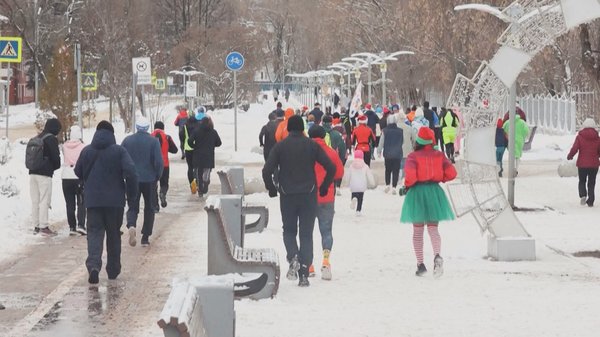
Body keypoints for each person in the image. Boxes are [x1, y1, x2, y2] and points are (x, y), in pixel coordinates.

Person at [262, 115, 336, 287]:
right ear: (303, 129)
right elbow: (330, 167)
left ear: (288, 129)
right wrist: (324, 186)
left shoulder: (280, 147)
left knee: (288, 231)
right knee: (306, 234)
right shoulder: (311, 146)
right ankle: (304, 273)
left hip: (287, 195)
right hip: (308, 195)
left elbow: (267, 170)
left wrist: (272, 188)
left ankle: (293, 256)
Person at [74, 120, 138, 284]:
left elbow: (78, 171)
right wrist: (130, 191)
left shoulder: (87, 151)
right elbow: (130, 171)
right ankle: (113, 269)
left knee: (94, 233)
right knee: (113, 235)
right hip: (115, 202)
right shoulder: (119, 151)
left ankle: (94, 266)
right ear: (112, 134)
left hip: (93, 202)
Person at [399, 127, 457, 278]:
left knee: (418, 231)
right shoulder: (439, 155)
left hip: (417, 193)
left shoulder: (413, 157)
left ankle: (421, 265)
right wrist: (440, 177)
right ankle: (437, 255)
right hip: (434, 193)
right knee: (433, 229)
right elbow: (452, 173)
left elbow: (410, 176)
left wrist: (406, 186)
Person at [307, 125, 344, 280]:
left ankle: (309, 265)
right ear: (324, 137)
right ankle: (326, 261)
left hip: (307, 197)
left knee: (306, 232)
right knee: (326, 231)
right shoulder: (331, 153)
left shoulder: (305, 152)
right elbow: (339, 173)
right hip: (327, 197)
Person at [122, 117, 164, 247]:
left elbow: (121, 158)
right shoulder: (154, 142)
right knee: (149, 207)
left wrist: (124, 175)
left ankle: (131, 224)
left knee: (133, 205)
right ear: (147, 128)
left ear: (136, 127)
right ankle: (145, 236)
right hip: (149, 179)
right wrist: (158, 176)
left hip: (132, 179)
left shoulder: (127, 141)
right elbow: (158, 161)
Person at [29, 118, 62, 236]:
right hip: (44, 174)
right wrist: (54, 167)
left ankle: (36, 225)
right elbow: (56, 159)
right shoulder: (51, 139)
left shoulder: (37, 137)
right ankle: (44, 226)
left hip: (32, 172)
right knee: (44, 200)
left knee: (35, 200)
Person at [567, 118, 600, 207]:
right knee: (592, 182)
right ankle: (591, 200)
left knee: (582, 181)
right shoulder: (597, 138)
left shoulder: (580, 137)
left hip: (582, 164)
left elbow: (575, 148)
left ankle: (583, 195)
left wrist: (570, 156)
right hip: (594, 165)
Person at [187, 115, 222, 197]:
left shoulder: (196, 131)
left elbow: (189, 141)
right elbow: (219, 143)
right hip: (209, 156)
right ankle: (205, 184)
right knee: (206, 172)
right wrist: (212, 145)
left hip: (198, 155)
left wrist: (194, 146)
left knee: (199, 173)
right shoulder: (213, 132)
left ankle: (200, 190)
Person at [61, 125, 87, 235]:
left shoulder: (64, 146)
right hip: (78, 176)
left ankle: (72, 226)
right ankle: (81, 225)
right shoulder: (84, 147)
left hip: (66, 175)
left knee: (69, 203)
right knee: (81, 201)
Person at [151, 121, 178, 211]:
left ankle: (155, 206)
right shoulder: (167, 137)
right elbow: (175, 150)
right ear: (163, 128)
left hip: (152, 165)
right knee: (164, 183)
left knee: (153, 185)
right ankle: (163, 193)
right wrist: (166, 148)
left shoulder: (149, 137)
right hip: (164, 164)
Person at [377, 114, 404, 194]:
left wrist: (379, 151)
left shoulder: (385, 131)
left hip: (388, 154)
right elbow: (403, 141)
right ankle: (394, 187)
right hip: (397, 153)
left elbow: (381, 142)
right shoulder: (400, 131)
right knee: (396, 170)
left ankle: (387, 184)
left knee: (388, 170)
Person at [344, 149, 375, 216]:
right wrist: (372, 182)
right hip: (362, 185)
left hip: (353, 185)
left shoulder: (351, 166)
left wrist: (346, 182)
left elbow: (348, 175)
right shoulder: (365, 166)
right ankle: (358, 210)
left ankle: (353, 199)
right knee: (360, 198)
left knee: (354, 194)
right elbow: (369, 175)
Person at [322, 115, 346, 193]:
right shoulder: (337, 134)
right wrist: (341, 161)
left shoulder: (318, 133)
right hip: (333, 160)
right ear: (331, 123)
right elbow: (342, 148)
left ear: (322, 123)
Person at [184, 109, 202, 193]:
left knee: (190, 167)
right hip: (197, 148)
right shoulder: (198, 125)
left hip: (188, 149)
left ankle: (192, 184)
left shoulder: (185, 125)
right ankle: (198, 183)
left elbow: (181, 136)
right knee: (197, 167)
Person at [397, 111, 415, 179]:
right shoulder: (409, 128)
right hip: (408, 150)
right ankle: (405, 179)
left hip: (397, 151)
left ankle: (398, 180)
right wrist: (413, 147)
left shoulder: (394, 128)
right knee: (406, 166)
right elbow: (414, 139)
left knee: (398, 166)